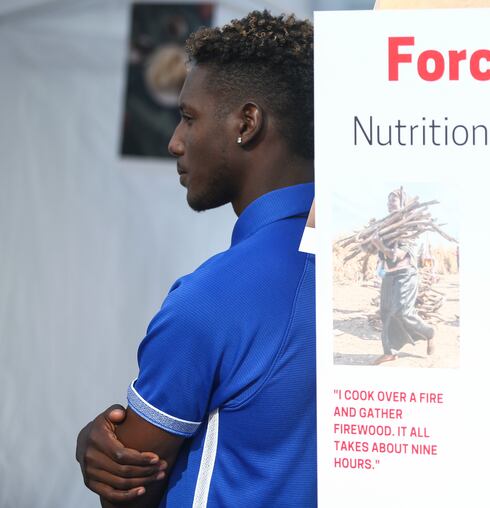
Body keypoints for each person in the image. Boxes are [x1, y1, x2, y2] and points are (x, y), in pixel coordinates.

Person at [75, 10, 316, 507]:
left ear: (246, 123)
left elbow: (128, 489)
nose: (174, 142)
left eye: (188, 117)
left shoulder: (213, 297)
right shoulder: (370, 266)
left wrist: (95, 453)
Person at [369, 189, 435, 365]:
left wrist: (379, 244)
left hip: (406, 275)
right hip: (389, 276)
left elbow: (396, 255)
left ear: (403, 203)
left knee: (402, 312)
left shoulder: (408, 227)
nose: (390, 202)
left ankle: (429, 333)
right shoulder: (386, 227)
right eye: (388, 199)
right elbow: (379, 253)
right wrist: (373, 243)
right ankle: (390, 352)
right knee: (385, 313)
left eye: (395, 199)